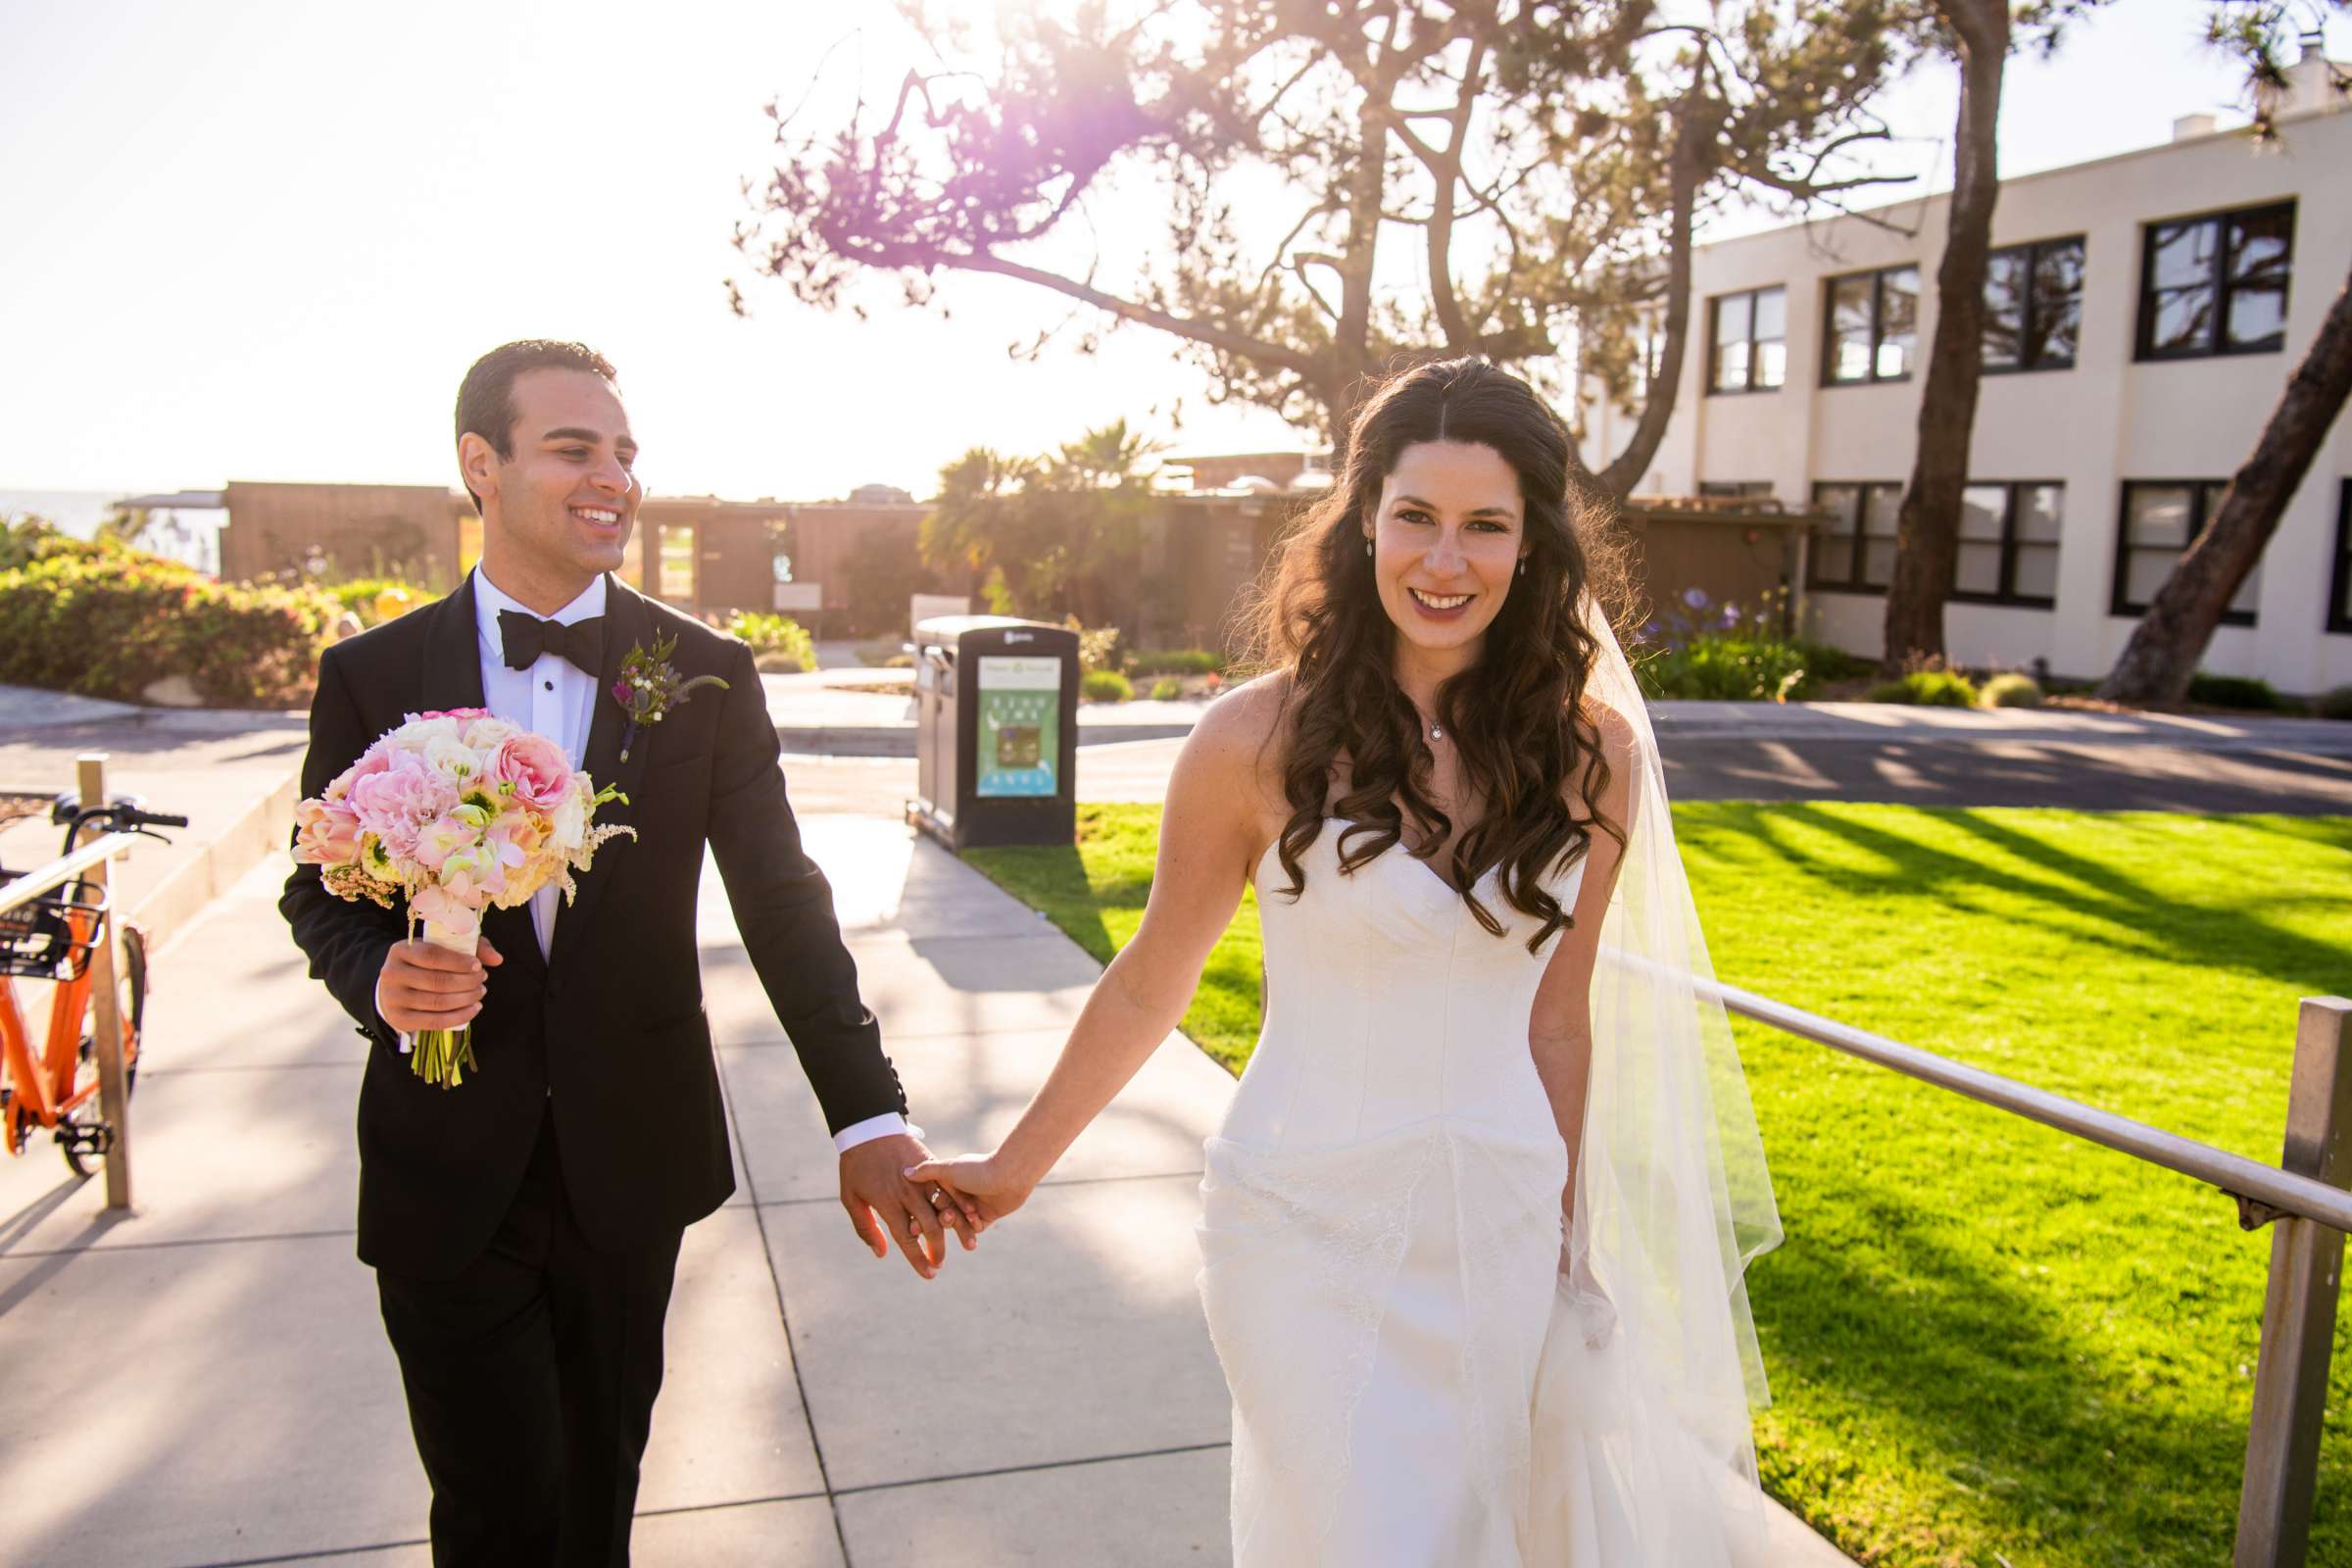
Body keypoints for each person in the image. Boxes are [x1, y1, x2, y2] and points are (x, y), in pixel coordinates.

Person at [913, 358, 1783, 1565]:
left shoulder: (1597, 757)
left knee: (1480, 1534)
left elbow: (1560, 1021)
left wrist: (1578, 1241)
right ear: (1364, 516)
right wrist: (1016, 1164)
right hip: (1302, 1224)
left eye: (1486, 525)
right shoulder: (1252, 739)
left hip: (1502, 1224)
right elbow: (1151, 978)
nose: (1445, 561)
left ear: (1534, 545)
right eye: (1416, 516)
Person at [280, 339, 975, 1567]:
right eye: (573, 449)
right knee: (494, 1513)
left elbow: (780, 895)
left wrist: (866, 1115)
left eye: (624, 453)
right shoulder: (373, 672)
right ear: (478, 466)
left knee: (596, 1497)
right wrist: (377, 977)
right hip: (444, 1169)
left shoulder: (702, 673)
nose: (614, 477)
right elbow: (320, 887)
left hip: (627, 1159)